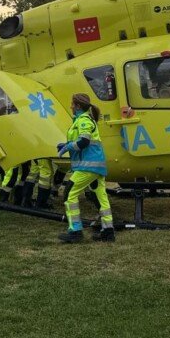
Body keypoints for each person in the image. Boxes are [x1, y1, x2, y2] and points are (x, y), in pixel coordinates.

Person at [56, 93, 114, 243]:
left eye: (72, 104)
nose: (70, 106)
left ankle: (75, 231)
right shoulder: (83, 120)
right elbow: (82, 140)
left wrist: (67, 147)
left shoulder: (83, 121)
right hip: (95, 166)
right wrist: (67, 144)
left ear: (78, 106)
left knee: (69, 193)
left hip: (87, 166)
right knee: (101, 198)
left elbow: (84, 142)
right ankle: (108, 231)